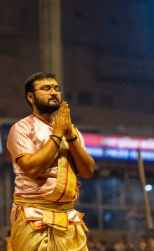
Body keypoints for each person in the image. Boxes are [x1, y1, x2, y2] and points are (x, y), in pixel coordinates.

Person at [7, 71, 95, 251]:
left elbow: (87, 171)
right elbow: (31, 169)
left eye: (56, 88)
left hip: (68, 216)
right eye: (46, 88)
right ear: (30, 97)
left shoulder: (72, 130)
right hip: (34, 216)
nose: (54, 92)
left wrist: (70, 136)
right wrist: (58, 134)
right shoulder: (21, 128)